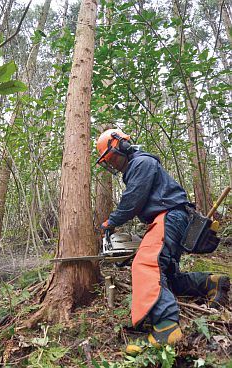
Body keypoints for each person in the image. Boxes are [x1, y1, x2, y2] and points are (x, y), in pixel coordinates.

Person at [96, 128, 230, 348]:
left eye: (111, 157)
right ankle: (209, 282)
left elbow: (132, 201)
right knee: (166, 275)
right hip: (170, 217)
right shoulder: (138, 166)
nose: (111, 163)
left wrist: (112, 221)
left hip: (169, 216)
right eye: (107, 160)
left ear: (122, 146)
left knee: (147, 264)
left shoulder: (141, 163)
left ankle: (166, 328)